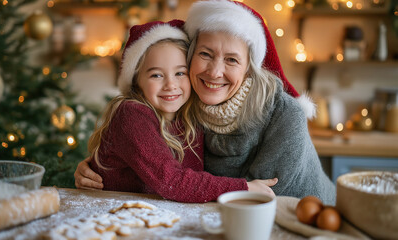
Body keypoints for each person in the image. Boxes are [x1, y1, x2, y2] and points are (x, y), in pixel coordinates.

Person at [75, 0, 336, 205]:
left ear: (249, 69)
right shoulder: (188, 105)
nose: (214, 72)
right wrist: (104, 166)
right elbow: (163, 168)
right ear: (191, 57)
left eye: (232, 60)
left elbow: (262, 197)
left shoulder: (283, 115)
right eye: (205, 54)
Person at [86, 19, 277, 203]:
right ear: (136, 81)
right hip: (115, 217)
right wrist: (244, 188)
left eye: (180, 73)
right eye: (156, 75)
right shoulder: (132, 114)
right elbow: (172, 182)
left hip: (158, 215)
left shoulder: (190, 115)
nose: (171, 85)